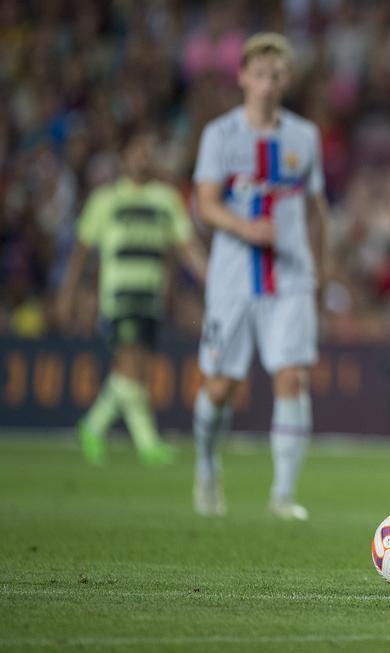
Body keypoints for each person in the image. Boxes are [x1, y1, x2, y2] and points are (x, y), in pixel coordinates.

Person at [190, 33, 329, 520]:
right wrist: (245, 227)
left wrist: (321, 271)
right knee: (220, 386)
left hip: (291, 277)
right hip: (231, 280)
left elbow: (316, 210)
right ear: (243, 76)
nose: (268, 84)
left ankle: (283, 495)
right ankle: (207, 467)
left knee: (291, 378)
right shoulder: (220, 135)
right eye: (260, 74)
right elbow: (205, 203)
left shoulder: (303, 137)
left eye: (276, 76)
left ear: (285, 81)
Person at [58, 128, 207, 466]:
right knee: (128, 363)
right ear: (124, 155)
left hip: (151, 295)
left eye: (149, 150)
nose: (144, 156)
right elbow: (80, 252)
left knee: (139, 367)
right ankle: (142, 440)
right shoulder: (106, 200)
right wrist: (68, 293)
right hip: (119, 294)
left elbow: (187, 248)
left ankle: (96, 426)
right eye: (138, 149)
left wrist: (212, 278)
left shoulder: (166, 200)